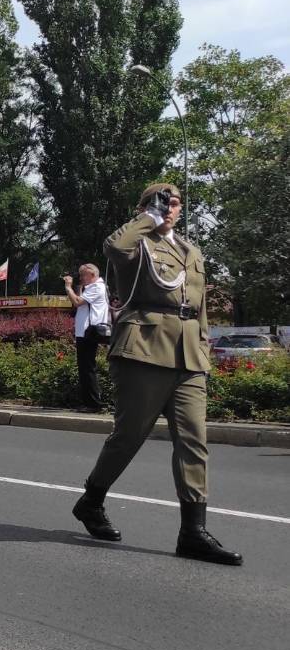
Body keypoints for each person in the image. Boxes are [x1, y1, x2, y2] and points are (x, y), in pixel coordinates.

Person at [72, 183, 241, 565]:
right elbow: (115, 247)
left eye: (174, 203)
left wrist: (203, 349)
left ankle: (193, 532)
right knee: (129, 436)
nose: (169, 208)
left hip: (189, 356)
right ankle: (91, 501)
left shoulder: (191, 251)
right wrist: (148, 216)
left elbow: (198, 307)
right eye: (161, 202)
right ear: (145, 208)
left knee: (194, 440)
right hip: (144, 349)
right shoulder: (138, 244)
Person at [64, 264, 110, 412]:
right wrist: (79, 288)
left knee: (87, 368)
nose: (81, 278)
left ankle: (93, 404)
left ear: (92, 275)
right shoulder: (93, 287)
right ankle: (89, 402)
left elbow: (77, 302)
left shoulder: (96, 287)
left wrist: (68, 287)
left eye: (83, 275)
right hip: (85, 332)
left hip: (88, 332)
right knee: (85, 367)